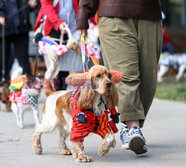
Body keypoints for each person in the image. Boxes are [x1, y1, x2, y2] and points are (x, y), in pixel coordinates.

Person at [77, 0, 162, 155]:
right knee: (126, 75)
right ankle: (132, 126)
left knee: (148, 78)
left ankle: (129, 122)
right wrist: (84, 14)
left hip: (150, 15)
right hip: (114, 13)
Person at [0, 0, 37, 86]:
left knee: (23, 57)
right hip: (3, 23)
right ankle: (0, 84)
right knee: (3, 57)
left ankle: (29, 86)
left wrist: (31, 3)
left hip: (21, 23)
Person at [34, 0, 80, 90]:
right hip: (53, 28)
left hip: (72, 29)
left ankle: (61, 93)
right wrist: (58, 23)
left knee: (66, 65)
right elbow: (46, 5)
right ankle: (58, 94)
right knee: (56, 67)